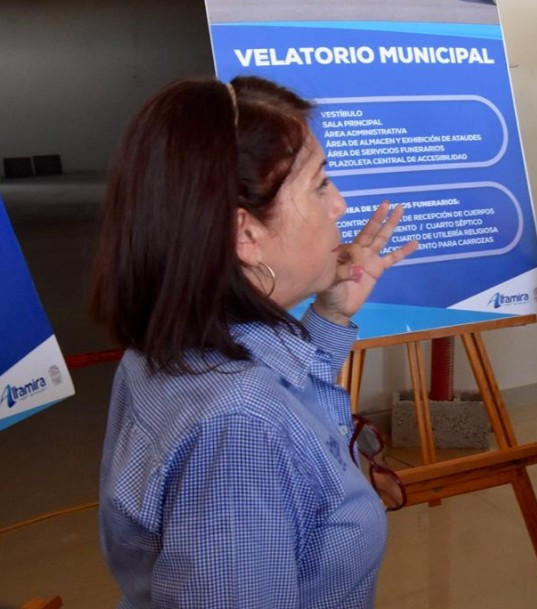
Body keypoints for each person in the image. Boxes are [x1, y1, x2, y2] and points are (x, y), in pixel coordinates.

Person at [90, 76, 417, 608]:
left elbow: (283, 408)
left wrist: (331, 315)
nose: (339, 203)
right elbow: (260, 426)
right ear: (245, 234)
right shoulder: (241, 427)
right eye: (319, 184)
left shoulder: (169, 346)